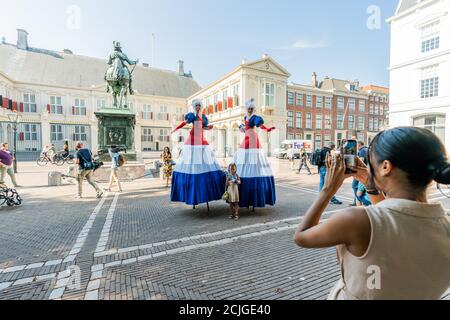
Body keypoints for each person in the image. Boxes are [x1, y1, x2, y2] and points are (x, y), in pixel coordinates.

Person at [294, 127, 450, 300]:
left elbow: (301, 237)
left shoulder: (355, 220)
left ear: (385, 167)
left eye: (370, 161)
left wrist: (328, 189)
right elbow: (392, 220)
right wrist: (370, 185)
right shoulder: (446, 222)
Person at [170, 100, 225, 206]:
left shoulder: (203, 117)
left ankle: (205, 191)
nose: (198, 107)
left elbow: (203, 127)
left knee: (205, 161)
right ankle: (192, 191)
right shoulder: (192, 116)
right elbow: (184, 123)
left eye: (199, 105)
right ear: (194, 107)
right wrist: (176, 129)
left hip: (201, 140)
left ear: (201, 106)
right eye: (196, 105)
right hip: (193, 140)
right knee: (192, 162)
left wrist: (208, 128)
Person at [234, 98, 276, 209]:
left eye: (252, 108)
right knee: (243, 160)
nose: (250, 110)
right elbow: (244, 127)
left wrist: (267, 129)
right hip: (246, 138)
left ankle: (252, 194)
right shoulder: (245, 117)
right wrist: (241, 127)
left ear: (253, 109)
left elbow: (260, 126)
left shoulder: (255, 118)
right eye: (249, 108)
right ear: (246, 109)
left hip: (252, 139)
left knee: (253, 161)